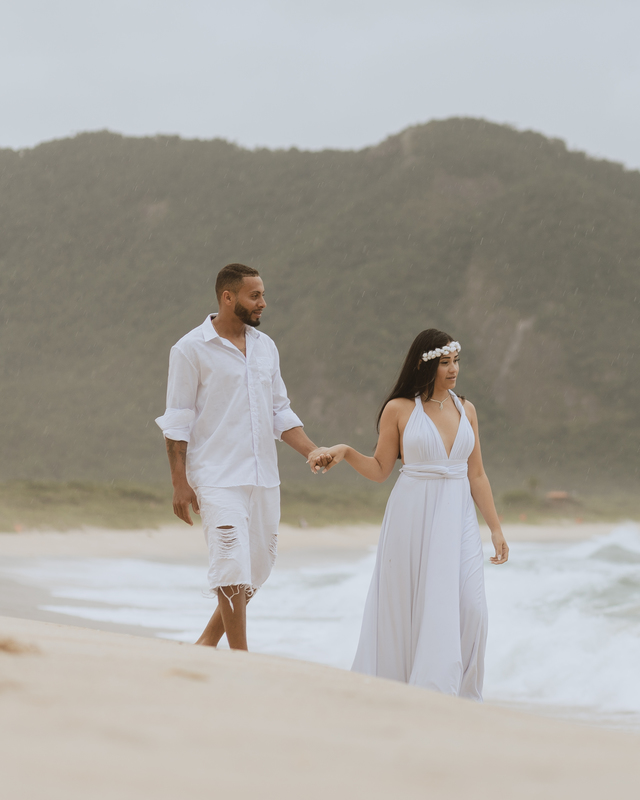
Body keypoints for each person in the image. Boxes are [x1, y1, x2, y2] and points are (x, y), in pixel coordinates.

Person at [307, 328, 508, 700]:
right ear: (424, 364)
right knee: (411, 603)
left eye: (456, 362)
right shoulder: (399, 409)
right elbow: (382, 469)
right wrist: (347, 451)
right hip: (412, 514)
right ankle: (419, 691)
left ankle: (462, 694)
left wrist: (495, 528)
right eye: (444, 363)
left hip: (458, 516)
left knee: (472, 609)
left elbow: (476, 474)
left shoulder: (468, 410)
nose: (453, 370)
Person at [156, 263, 327, 652]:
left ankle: (206, 641)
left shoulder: (266, 348)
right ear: (227, 297)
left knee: (259, 566)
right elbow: (177, 420)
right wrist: (179, 482)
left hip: (263, 475)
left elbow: (278, 413)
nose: (263, 303)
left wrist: (312, 450)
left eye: (263, 295)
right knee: (231, 560)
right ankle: (240, 654)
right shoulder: (189, 349)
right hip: (215, 475)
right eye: (255, 296)